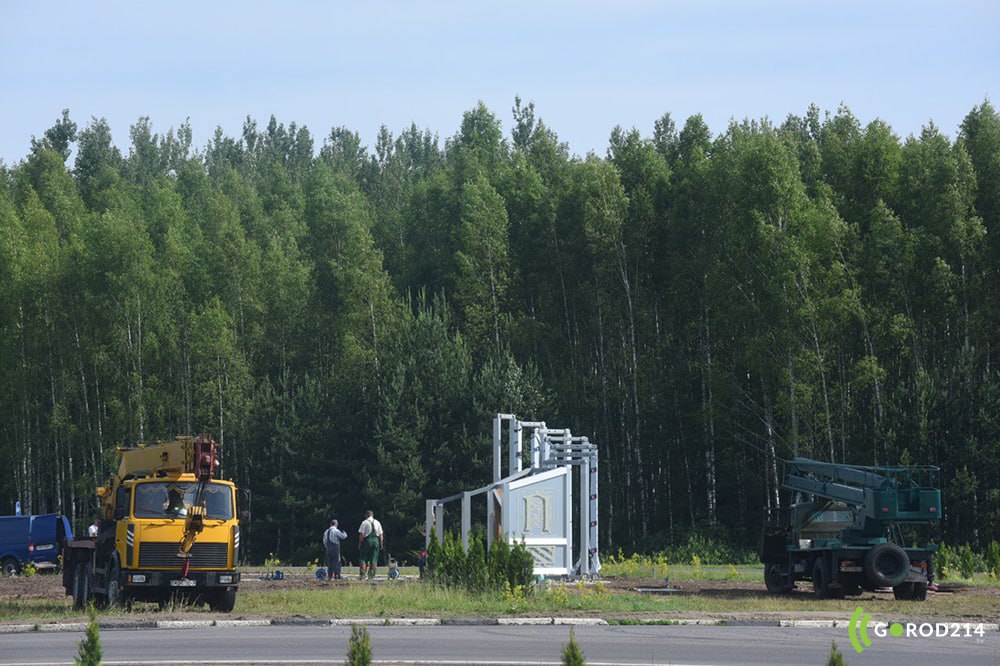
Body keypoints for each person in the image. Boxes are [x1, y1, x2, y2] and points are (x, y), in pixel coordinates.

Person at [357, 510, 383, 580]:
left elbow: (362, 534)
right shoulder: (377, 522)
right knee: (374, 559)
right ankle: (372, 575)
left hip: (367, 542)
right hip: (376, 542)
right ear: (372, 515)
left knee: (363, 558)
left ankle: (362, 574)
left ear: (366, 515)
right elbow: (381, 534)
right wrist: (381, 544)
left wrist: (360, 543)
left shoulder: (364, 523)